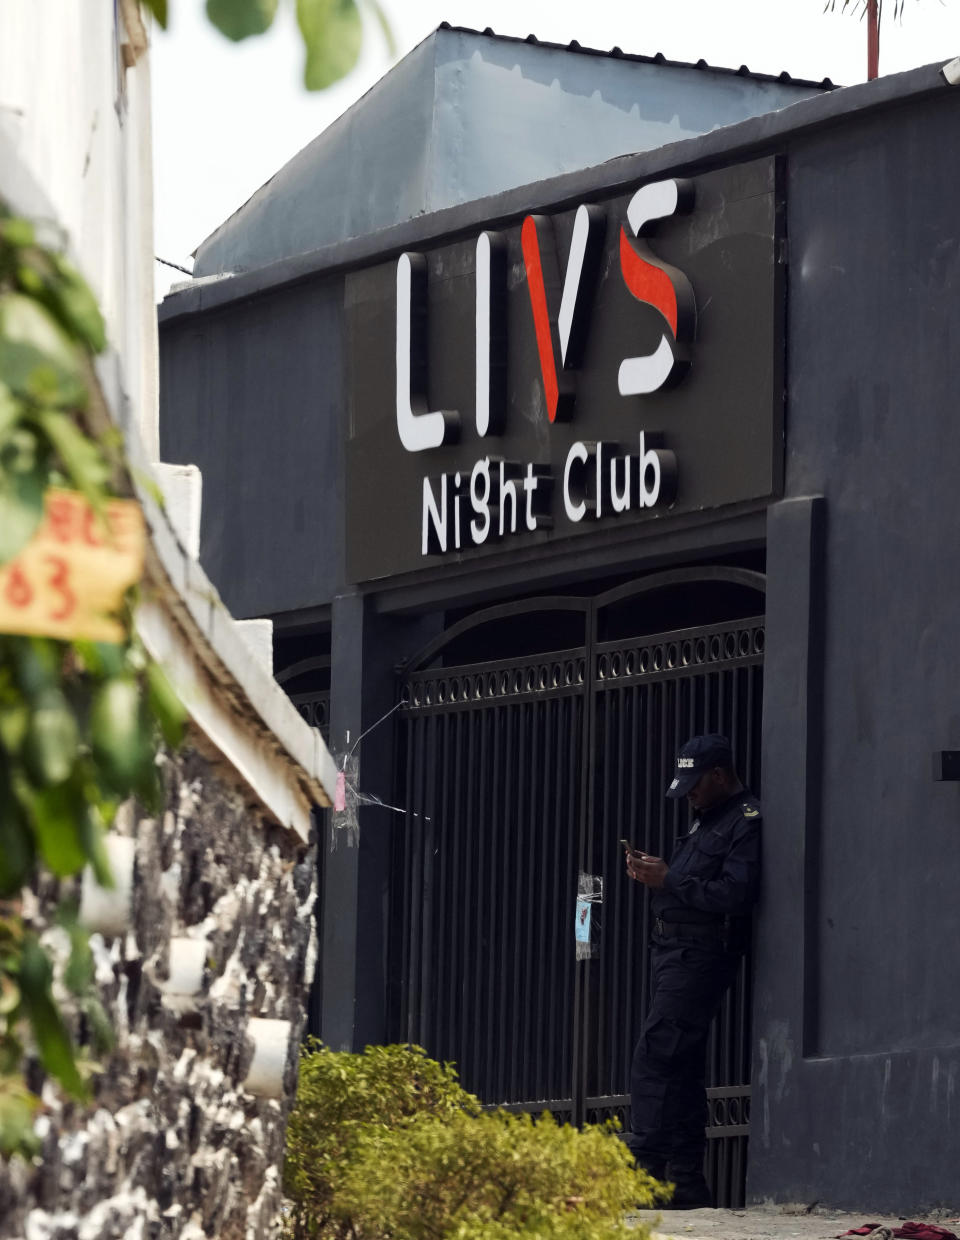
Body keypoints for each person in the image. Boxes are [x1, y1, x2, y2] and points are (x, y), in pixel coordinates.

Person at [623, 733, 761, 1209]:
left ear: (720, 775)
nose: (690, 795)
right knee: (679, 1067)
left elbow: (733, 895)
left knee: (656, 1055)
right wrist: (656, 878)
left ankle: (642, 1172)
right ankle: (684, 1184)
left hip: (700, 957)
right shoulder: (707, 821)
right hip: (672, 954)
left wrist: (670, 878)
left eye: (695, 785)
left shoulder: (745, 822)